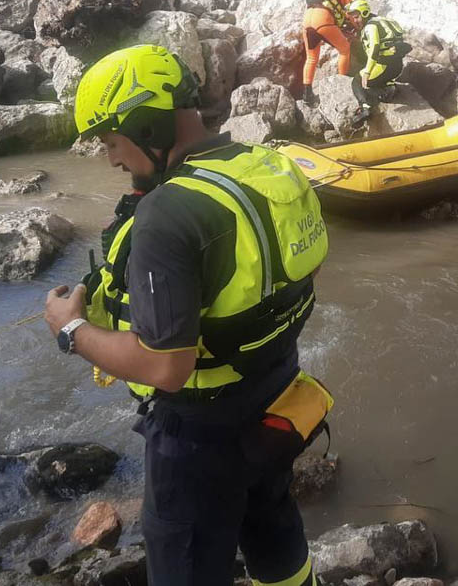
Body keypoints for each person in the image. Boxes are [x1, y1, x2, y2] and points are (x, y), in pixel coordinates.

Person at [44, 44, 332, 586]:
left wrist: (70, 330)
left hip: (197, 434)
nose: (110, 159)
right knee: (270, 523)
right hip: (274, 391)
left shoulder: (167, 214)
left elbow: (165, 367)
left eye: (111, 141)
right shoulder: (268, 165)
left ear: (146, 124)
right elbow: (297, 271)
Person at [302, 0, 363, 105]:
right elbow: (351, 15)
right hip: (323, 21)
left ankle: (307, 94)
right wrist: (357, 27)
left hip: (307, 21)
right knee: (345, 49)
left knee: (311, 58)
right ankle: (341, 83)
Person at [347, 0, 410, 125]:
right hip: (397, 66)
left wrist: (367, 72)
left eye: (356, 17)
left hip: (384, 66)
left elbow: (374, 48)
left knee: (357, 82)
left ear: (364, 13)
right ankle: (388, 87)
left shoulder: (370, 27)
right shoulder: (384, 20)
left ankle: (365, 108)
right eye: (353, 18)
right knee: (375, 77)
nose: (355, 21)